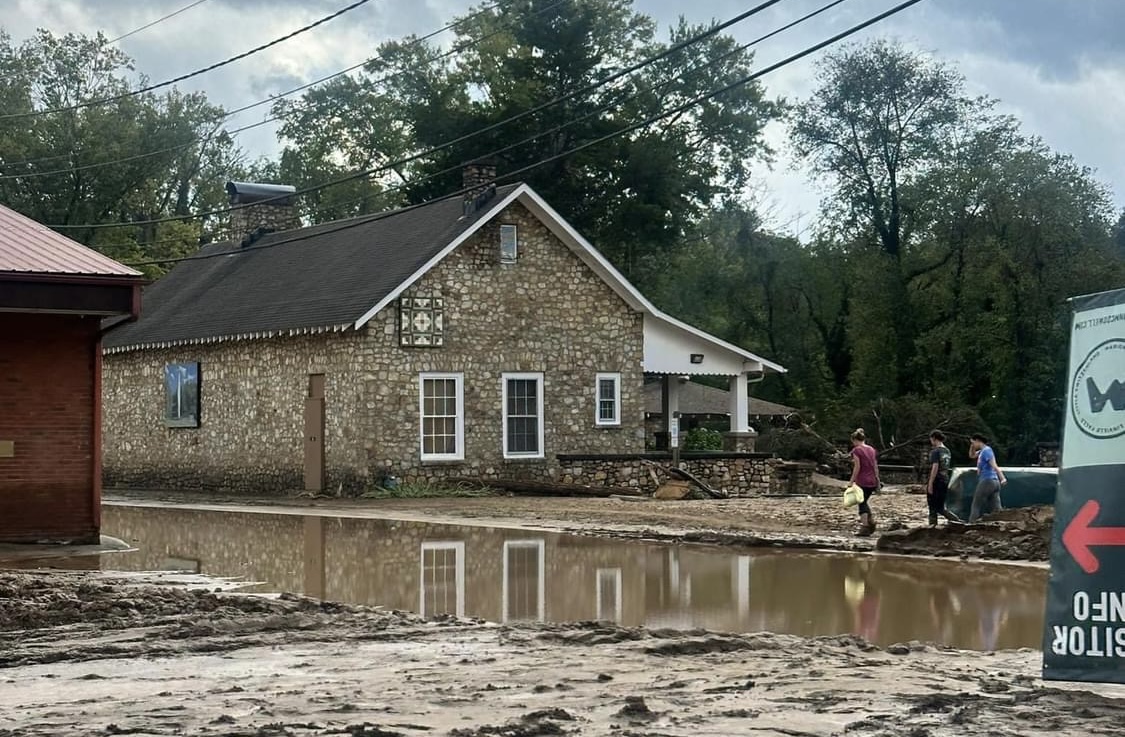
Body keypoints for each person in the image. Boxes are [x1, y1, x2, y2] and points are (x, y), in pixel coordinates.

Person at [968, 433, 1007, 522]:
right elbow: (972, 455)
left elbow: (994, 465)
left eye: (973, 442)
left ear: (978, 441)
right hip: (994, 482)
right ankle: (1001, 524)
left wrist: (1002, 477)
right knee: (996, 508)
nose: (973, 445)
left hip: (987, 480)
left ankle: (971, 523)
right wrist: (972, 446)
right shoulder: (982, 452)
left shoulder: (986, 451)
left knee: (976, 505)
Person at [926, 431, 961, 527]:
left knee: (932, 507)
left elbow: (935, 467)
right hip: (945, 479)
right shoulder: (947, 451)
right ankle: (957, 521)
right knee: (941, 507)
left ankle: (932, 528)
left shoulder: (935, 451)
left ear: (934, 438)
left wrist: (930, 483)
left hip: (936, 480)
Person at [849, 428, 880, 536]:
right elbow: (875, 466)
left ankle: (865, 526)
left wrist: (851, 481)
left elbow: (857, 467)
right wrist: (877, 480)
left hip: (862, 480)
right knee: (864, 501)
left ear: (854, 440)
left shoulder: (856, 450)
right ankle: (870, 522)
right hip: (872, 480)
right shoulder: (872, 449)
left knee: (861, 503)